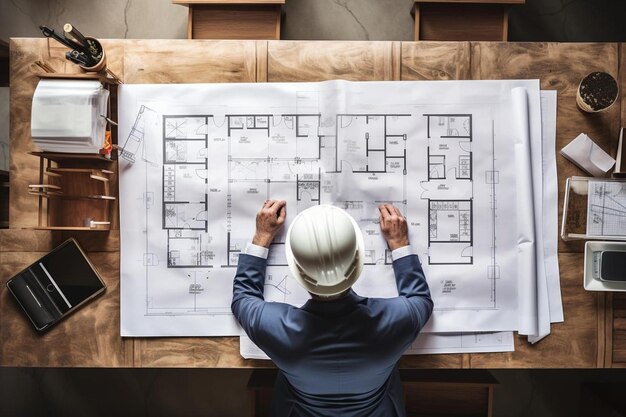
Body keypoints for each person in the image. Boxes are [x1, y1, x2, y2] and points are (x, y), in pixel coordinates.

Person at [231, 200, 433, 417]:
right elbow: (420, 299)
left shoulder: (275, 329)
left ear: (298, 271)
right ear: (357, 261)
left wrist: (261, 237)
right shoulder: (396, 321)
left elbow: (243, 298)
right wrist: (399, 242)